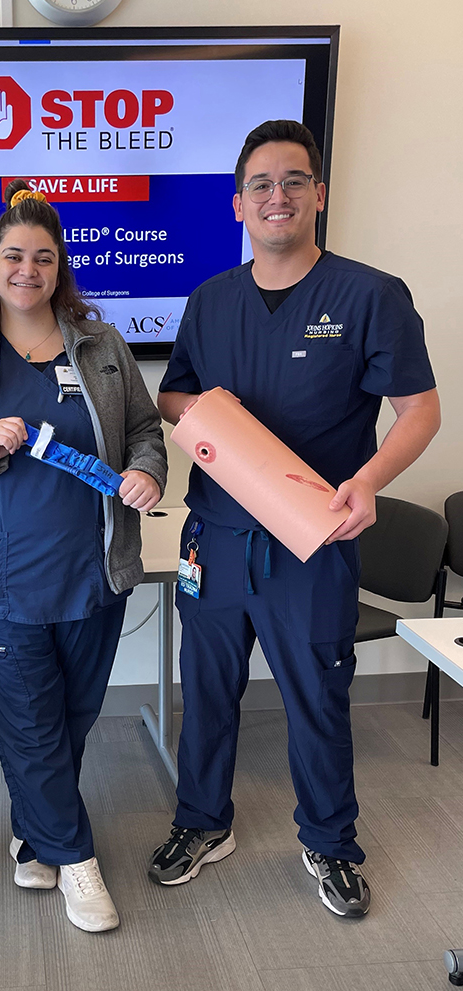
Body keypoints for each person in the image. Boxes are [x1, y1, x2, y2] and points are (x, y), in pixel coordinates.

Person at [149, 121, 440, 918]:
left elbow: (419, 409)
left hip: (312, 540)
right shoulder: (210, 300)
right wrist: (210, 409)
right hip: (214, 536)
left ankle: (330, 840)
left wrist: (369, 480)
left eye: (292, 181)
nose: (276, 196)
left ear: (318, 194)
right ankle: (202, 823)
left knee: (315, 694)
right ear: (236, 202)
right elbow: (173, 395)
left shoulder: (368, 294)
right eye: (260, 184)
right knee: (207, 692)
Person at [0, 180, 167, 933]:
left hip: (93, 575)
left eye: (44, 257)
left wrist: (148, 471)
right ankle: (78, 863)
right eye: (14, 255)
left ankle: (34, 833)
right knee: (29, 724)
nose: (27, 268)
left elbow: (146, 431)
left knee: (66, 720)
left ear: (60, 267)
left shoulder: (103, 347)